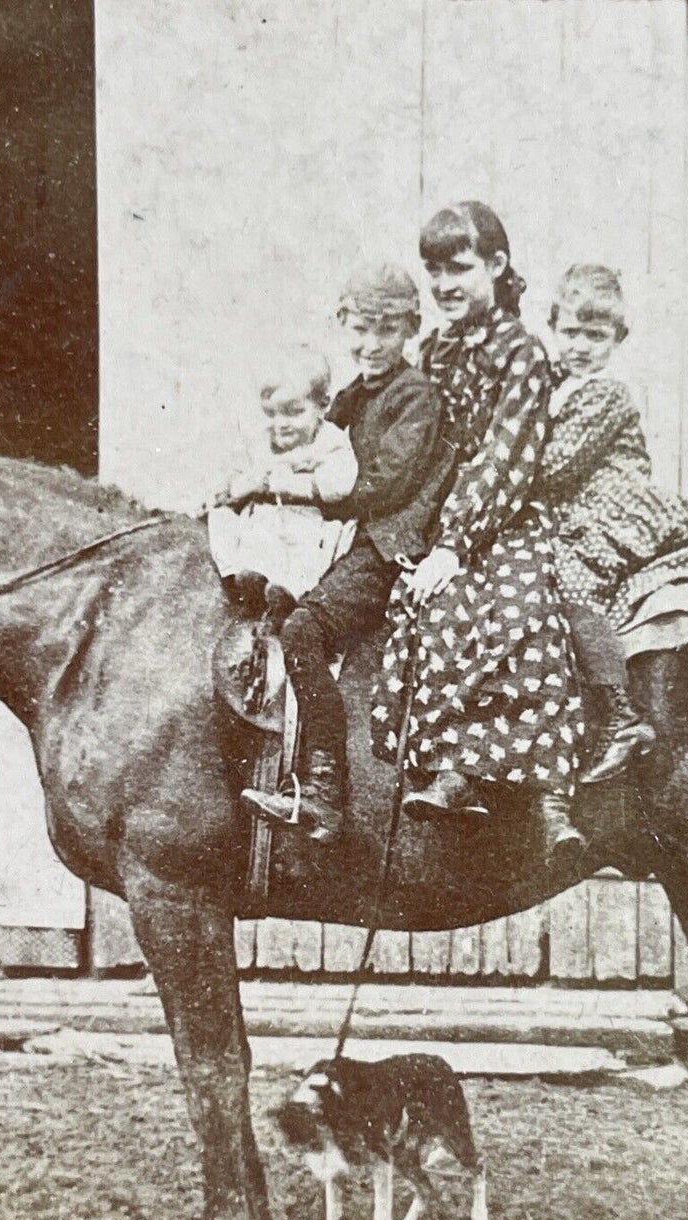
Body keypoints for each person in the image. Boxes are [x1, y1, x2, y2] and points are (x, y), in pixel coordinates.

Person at [370, 201, 584, 869]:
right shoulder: (432, 350)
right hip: (432, 515)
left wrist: (454, 543)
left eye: (458, 268)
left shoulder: (520, 351)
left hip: (501, 512)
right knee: (415, 608)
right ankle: (448, 770)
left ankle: (544, 793)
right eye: (433, 270)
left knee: (522, 612)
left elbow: (507, 455)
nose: (443, 285)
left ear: (495, 266)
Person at [239, 262, 450, 843]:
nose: (371, 344)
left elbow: (383, 486)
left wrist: (272, 486)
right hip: (339, 542)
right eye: (359, 329)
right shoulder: (350, 395)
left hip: (385, 547)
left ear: (410, 329)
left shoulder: (416, 397)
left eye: (386, 330)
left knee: (304, 632)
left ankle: (324, 791)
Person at [541, 264, 688, 782]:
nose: (580, 346)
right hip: (574, 506)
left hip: (613, 505)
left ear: (617, 339)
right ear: (553, 328)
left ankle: (622, 715)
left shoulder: (606, 393)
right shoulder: (556, 386)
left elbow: (556, 465)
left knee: (570, 580)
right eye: (570, 333)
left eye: (595, 336)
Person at [206, 346, 359, 606]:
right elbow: (235, 478)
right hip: (265, 517)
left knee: (306, 553)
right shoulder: (260, 440)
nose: (281, 424)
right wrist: (245, 484)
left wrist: (287, 483)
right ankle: (241, 579)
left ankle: (288, 596)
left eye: (294, 412)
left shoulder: (329, 440)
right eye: (273, 413)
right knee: (226, 521)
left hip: (307, 518)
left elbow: (340, 483)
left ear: (322, 405)